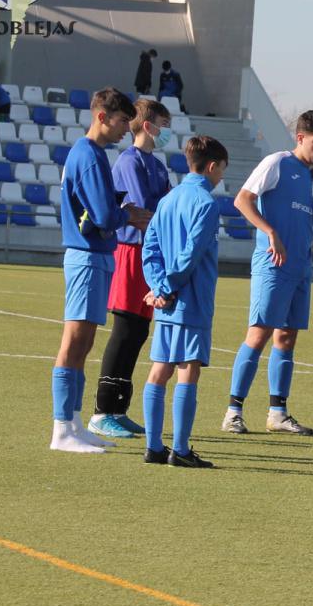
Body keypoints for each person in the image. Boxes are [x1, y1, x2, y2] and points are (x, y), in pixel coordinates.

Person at [49, 88, 151, 453]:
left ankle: (73, 424)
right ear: (102, 117)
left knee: (85, 343)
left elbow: (102, 210)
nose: (128, 127)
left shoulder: (92, 155)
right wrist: (129, 214)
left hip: (95, 256)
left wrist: (118, 210)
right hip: (86, 255)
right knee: (74, 342)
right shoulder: (89, 156)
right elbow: (105, 216)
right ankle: (62, 428)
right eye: (124, 120)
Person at [221, 110, 313, 435]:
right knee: (258, 335)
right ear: (300, 138)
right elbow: (242, 201)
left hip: (300, 266)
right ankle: (233, 411)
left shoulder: (312, 176)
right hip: (273, 265)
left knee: (287, 337)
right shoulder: (277, 162)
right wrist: (270, 231)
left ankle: (277, 413)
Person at [139, 135, 229, 468]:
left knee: (159, 369)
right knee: (188, 370)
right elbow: (191, 255)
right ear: (210, 166)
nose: (221, 177)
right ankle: (181, 449)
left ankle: (153, 446)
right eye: (221, 170)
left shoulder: (168, 199)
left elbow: (149, 249)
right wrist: (169, 287)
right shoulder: (206, 204)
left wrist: (159, 286)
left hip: (167, 302)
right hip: (191, 300)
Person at [89, 99, 173, 439]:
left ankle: (119, 408)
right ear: (148, 125)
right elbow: (141, 211)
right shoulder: (129, 161)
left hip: (150, 253)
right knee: (124, 330)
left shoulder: (158, 165)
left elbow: (166, 206)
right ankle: (101, 410)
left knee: (139, 331)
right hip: (130, 251)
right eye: (164, 125)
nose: (167, 132)